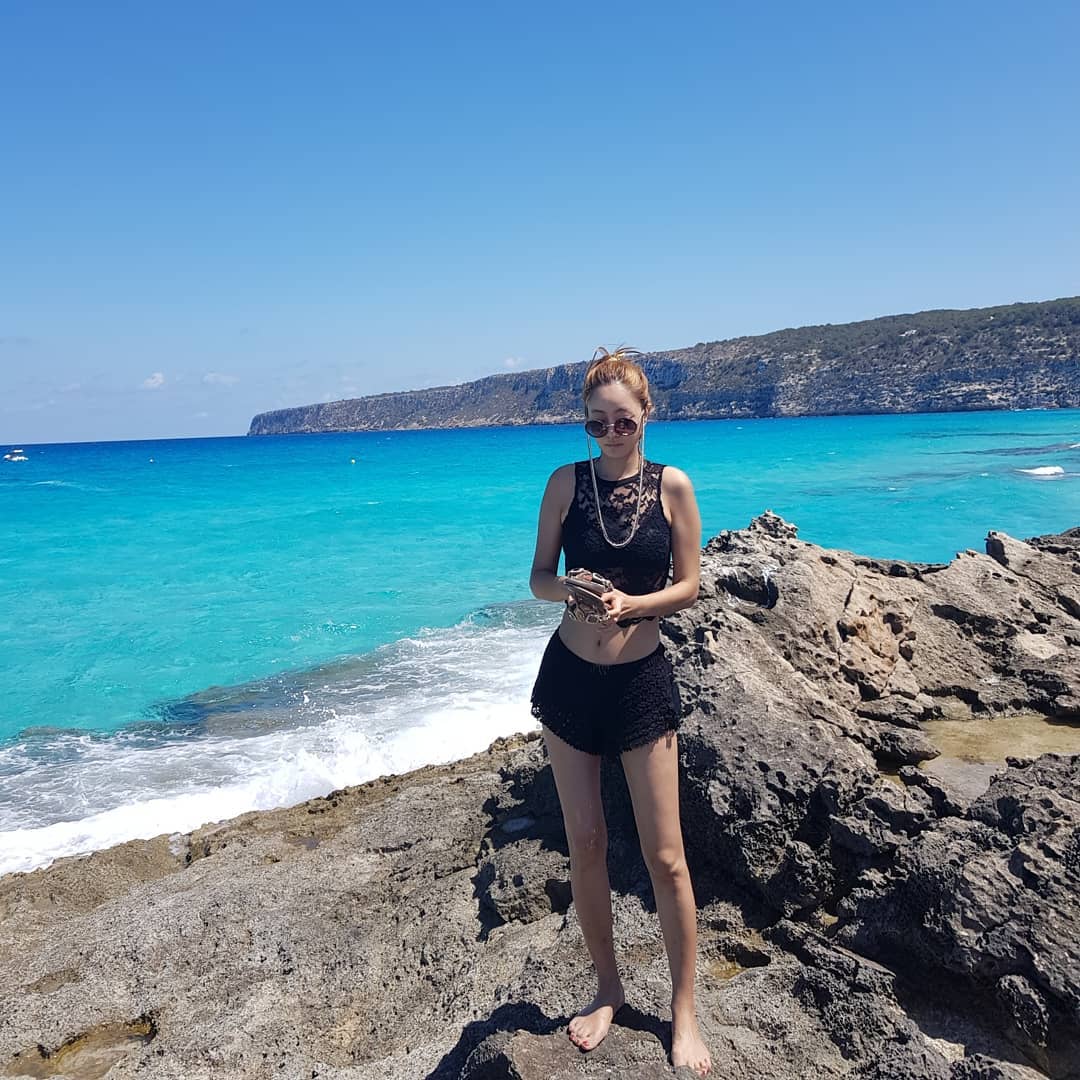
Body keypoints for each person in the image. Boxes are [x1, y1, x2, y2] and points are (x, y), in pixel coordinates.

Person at [528, 346, 712, 1077]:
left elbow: (691, 585)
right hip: (570, 680)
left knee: (666, 856)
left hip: (641, 683)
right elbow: (538, 578)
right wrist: (568, 589)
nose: (609, 434)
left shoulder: (674, 486)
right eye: (596, 423)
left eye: (623, 422)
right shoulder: (563, 484)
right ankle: (608, 989)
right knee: (587, 841)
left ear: (646, 417)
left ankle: (684, 1011)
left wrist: (636, 604)